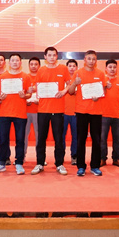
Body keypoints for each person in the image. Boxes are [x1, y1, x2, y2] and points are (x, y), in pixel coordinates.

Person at [68, 50, 108, 176]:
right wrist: (75, 83)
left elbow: (104, 90)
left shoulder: (100, 74)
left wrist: (99, 95)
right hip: (81, 111)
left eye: (93, 59)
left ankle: (95, 166)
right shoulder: (78, 73)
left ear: (96, 60)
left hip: (96, 111)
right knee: (81, 139)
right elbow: (70, 91)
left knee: (96, 139)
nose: (91, 61)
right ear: (85, 60)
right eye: (89, 58)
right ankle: (81, 166)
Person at [0, 54, 32, 175]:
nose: (15, 62)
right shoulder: (3, 76)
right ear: (9, 63)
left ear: (20, 63)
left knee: (20, 139)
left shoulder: (25, 77)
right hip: (5, 112)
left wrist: (25, 96)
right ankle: (1, 163)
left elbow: (29, 94)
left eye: (17, 60)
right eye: (12, 60)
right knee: (3, 139)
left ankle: (19, 163)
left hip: (20, 113)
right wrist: (0, 97)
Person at [31, 47, 68, 176]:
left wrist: (64, 91)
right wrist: (31, 90)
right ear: (45, 57)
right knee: (41, 138)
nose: (52, 57)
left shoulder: (63, 69)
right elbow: (37, 87)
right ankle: (40, 163)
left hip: (58, 110)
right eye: (49, 55)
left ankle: (59, 164)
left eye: (54, 55)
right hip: (43, 109)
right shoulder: (41, 70)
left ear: (57, 56)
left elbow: (70, 84)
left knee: (59, 139)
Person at [100, 59, 119, 168]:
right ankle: (102, 158)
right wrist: (104, 87)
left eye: (114, 67)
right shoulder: (101, 80)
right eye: (110, 67)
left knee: (117, 139)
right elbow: (97, 95)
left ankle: (116, 159)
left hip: (118, 115)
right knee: (102, 139)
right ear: (106, 68)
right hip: (103, 114)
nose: (112, 69)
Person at [24, 57, 41, 161]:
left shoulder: (42, 77)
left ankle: (40, 158)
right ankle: (22, 156)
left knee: (39, 135)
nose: (34, 66)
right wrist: (25, 100)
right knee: (23, 135)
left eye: (36, 64)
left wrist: (40, 100)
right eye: (31, 64)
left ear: (39, 66)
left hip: (39, 111)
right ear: (29, 66)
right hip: (25, 111)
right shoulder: (25, 77)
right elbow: (21, 92)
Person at [62, 59, 78, 165]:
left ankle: (74, 156)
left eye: (74, 66)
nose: (71, 68)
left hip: (76, 112)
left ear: (76, 68)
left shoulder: (79, 80)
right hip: (62, 112)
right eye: (70, 66)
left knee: (75, 136)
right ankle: (60, 156)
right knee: (61, 136)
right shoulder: (62, 80)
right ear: (66, 67)